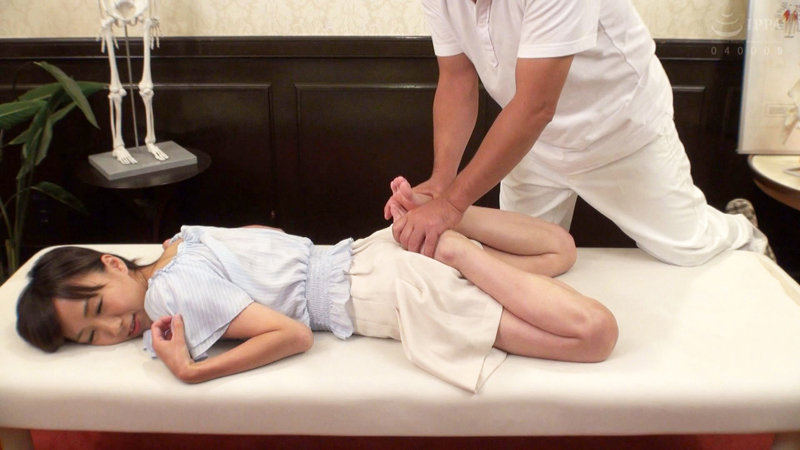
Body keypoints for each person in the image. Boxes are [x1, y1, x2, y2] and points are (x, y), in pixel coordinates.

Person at [16, 177, 617, 393]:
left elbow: (293, 334)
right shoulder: (184, 238)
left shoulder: (166, 295)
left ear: (112, 264)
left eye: (97, 308)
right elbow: (270, 239)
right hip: (372, 250)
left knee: (594, 335)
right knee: (559, 250)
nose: (113, 327)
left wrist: (195, 371)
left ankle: (452, 247)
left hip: (389, 293)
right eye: (90, 336)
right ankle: (436, 218)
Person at [387, 0, 770, 266]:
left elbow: (536, 107)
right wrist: (442, 180)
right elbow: (457, 78)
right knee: (522, 258)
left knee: (689, 246)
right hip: (528, 144)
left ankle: (744, 232)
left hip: (617, 130)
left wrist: (451, 206)